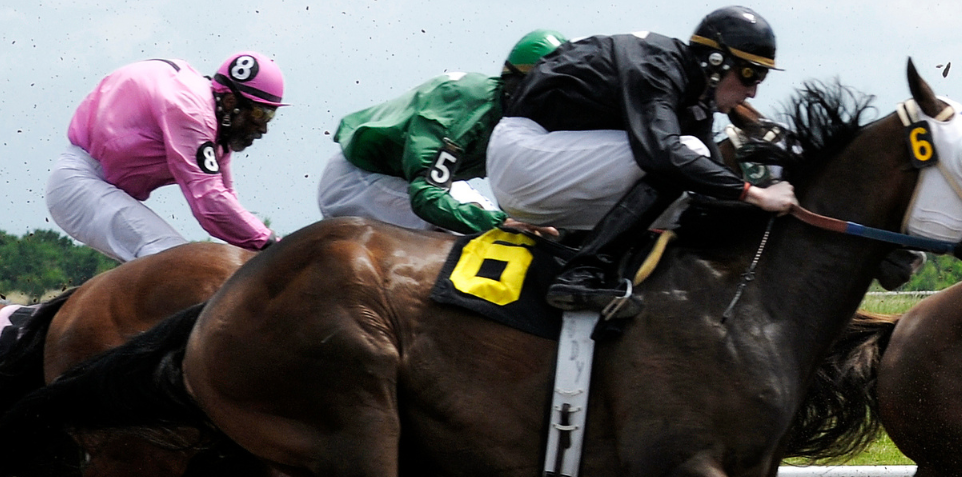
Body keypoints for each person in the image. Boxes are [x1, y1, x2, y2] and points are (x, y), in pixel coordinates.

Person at [486, 6, 800, 314]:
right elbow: (662, 156)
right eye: (750, 74)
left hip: (543, 170)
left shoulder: (693, 96)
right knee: (685, 157)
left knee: (694, 201)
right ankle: (582, 273)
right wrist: (757, 194)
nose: (754, 92)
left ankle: (606, 269)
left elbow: (710, 184)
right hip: (521, 157)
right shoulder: (657, 65)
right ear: (716, 61)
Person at [318, 30, 568, 236]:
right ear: (522, 88)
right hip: (360, 180)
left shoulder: (515, 118)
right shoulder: (459, 108)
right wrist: (497, 223)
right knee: (485, 234)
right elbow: (426, 197)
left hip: (415, 183)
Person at [44, 53, 288, 264]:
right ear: (231, 101)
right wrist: (272, 245)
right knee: (179, 266)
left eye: (270, 116)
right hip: (79, 183)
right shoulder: (192, 112)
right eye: (260, 113)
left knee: (183, 265)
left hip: (99, 183)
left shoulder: (215, 125)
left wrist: (262, 244)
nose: (263, 128)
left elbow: (226, 201)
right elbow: (209, 203)